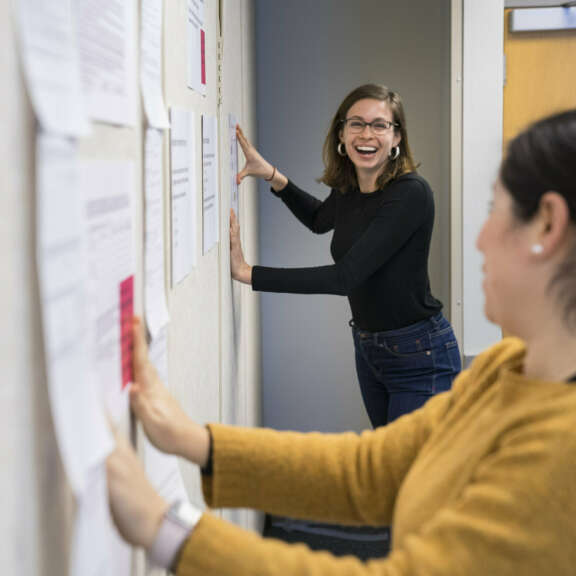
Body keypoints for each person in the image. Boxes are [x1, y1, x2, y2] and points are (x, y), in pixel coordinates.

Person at [107, 109, 576, 575]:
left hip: (414, 349)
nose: (479, 238)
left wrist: (162, 530)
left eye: (496, 210)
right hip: (374, 346)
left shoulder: (561, 448)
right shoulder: (505, 368)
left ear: (548, 226)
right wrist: (192, 441)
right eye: (356, 124)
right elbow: (373, 472)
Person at [230, 84, 460, 428]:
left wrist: (250, 273)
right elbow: (320, 220)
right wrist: (272, 175)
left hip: (419, 355)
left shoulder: (411, 194)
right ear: (341, 132)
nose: (367, 134)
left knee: (410, 474)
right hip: (370, 349)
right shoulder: (351, 188)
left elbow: (345, 277)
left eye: (380, 125)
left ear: (396, 137)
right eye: (357, 123)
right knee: (386, 469)